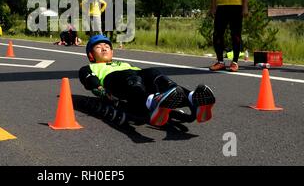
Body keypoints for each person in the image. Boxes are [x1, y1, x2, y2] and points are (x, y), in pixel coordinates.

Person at [78, 35, 215, 127]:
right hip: (117, 83)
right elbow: (89, 80)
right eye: (98, 46)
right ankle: (152, 102)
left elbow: (143, 75)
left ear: (112, 52)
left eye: (107, 46)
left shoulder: (124, 63)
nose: (104, 48)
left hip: (137, 77)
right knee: (133, 78)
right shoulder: (89, 67)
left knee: (154, 73)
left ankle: (193, 99)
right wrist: (100, 90)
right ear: (91, 55)